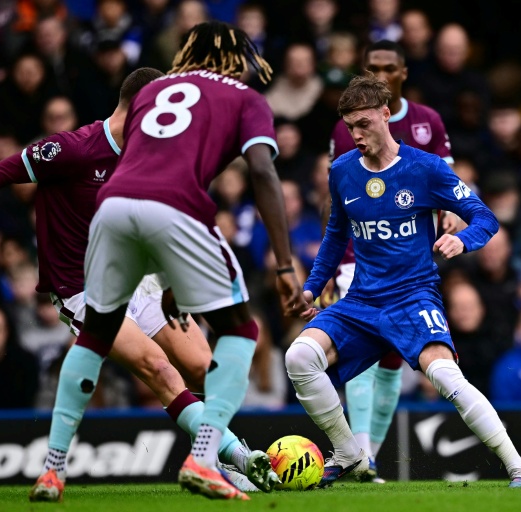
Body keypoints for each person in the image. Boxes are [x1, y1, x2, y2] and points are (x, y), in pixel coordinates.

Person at [0, 67, 278, 502]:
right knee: (158, 368)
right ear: (137, 109)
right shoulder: (73, 149)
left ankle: (213, 458)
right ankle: (238, 459)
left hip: (141, 281)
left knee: (205, 368)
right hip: (81, 289)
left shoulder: (154, 156)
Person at [83, 21, 304, 500]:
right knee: (209, 347)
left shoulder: (161, 118)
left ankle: (223, 457)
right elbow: (262, 173)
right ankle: (212, 460)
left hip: (141, 254)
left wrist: (169, 276)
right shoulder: (83, 146)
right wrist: (285, 265)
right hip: (91, 276)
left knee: (201, 366)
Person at [286, 74, 521, 488]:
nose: (356, 135)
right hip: (362, 300)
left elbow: (485, 217)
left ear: (386, 115)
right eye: (350, 127)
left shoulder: (426, 168)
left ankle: (520, 468)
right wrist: (313, 287)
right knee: (298, 358)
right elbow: (336, 236)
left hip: (412, 297)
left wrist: (463, 240)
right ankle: (349, 452)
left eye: (364, 124)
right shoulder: (342, 170)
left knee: (445, 377)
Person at [326, 40, 455, 481]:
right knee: (359, 347)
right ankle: (359, 449)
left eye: (389, 67)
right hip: (356, 256)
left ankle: (371, 456)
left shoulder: (427, 122)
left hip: (409, 258)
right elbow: (341, 199)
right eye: (372, 67)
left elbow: (447, 183)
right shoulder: (349, 124)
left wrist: (453, 214)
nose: (381, 75)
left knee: (393, 358)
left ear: (403, 71)